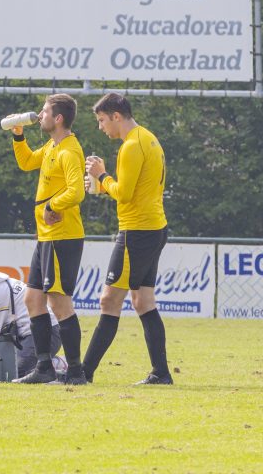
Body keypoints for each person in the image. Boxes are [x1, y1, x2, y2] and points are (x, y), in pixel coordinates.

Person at [83, 92, 172, 385]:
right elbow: (136, 188)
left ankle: (83, 373)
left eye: (102, 121)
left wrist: (101, 175)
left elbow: (125, 193)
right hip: (155, 227)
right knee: (143, 301)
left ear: (116, 116)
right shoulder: (150, 138)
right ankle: (161, 373)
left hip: (137, 231)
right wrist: (103, 187)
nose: (101, 127)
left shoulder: (131, 146)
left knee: (109, 300)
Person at [7, 94, 88, 385]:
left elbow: (77, 192)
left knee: (59, 302)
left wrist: (53, 206)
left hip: (62, 237)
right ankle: (44, 368)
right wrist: (18, 135)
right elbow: (27, 162)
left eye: (45, 111)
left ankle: (77, 372)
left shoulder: (68, 151)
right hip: (47, 236)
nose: (39, 116)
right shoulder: (53, 146)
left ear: (59, 119)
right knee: (32, 299)